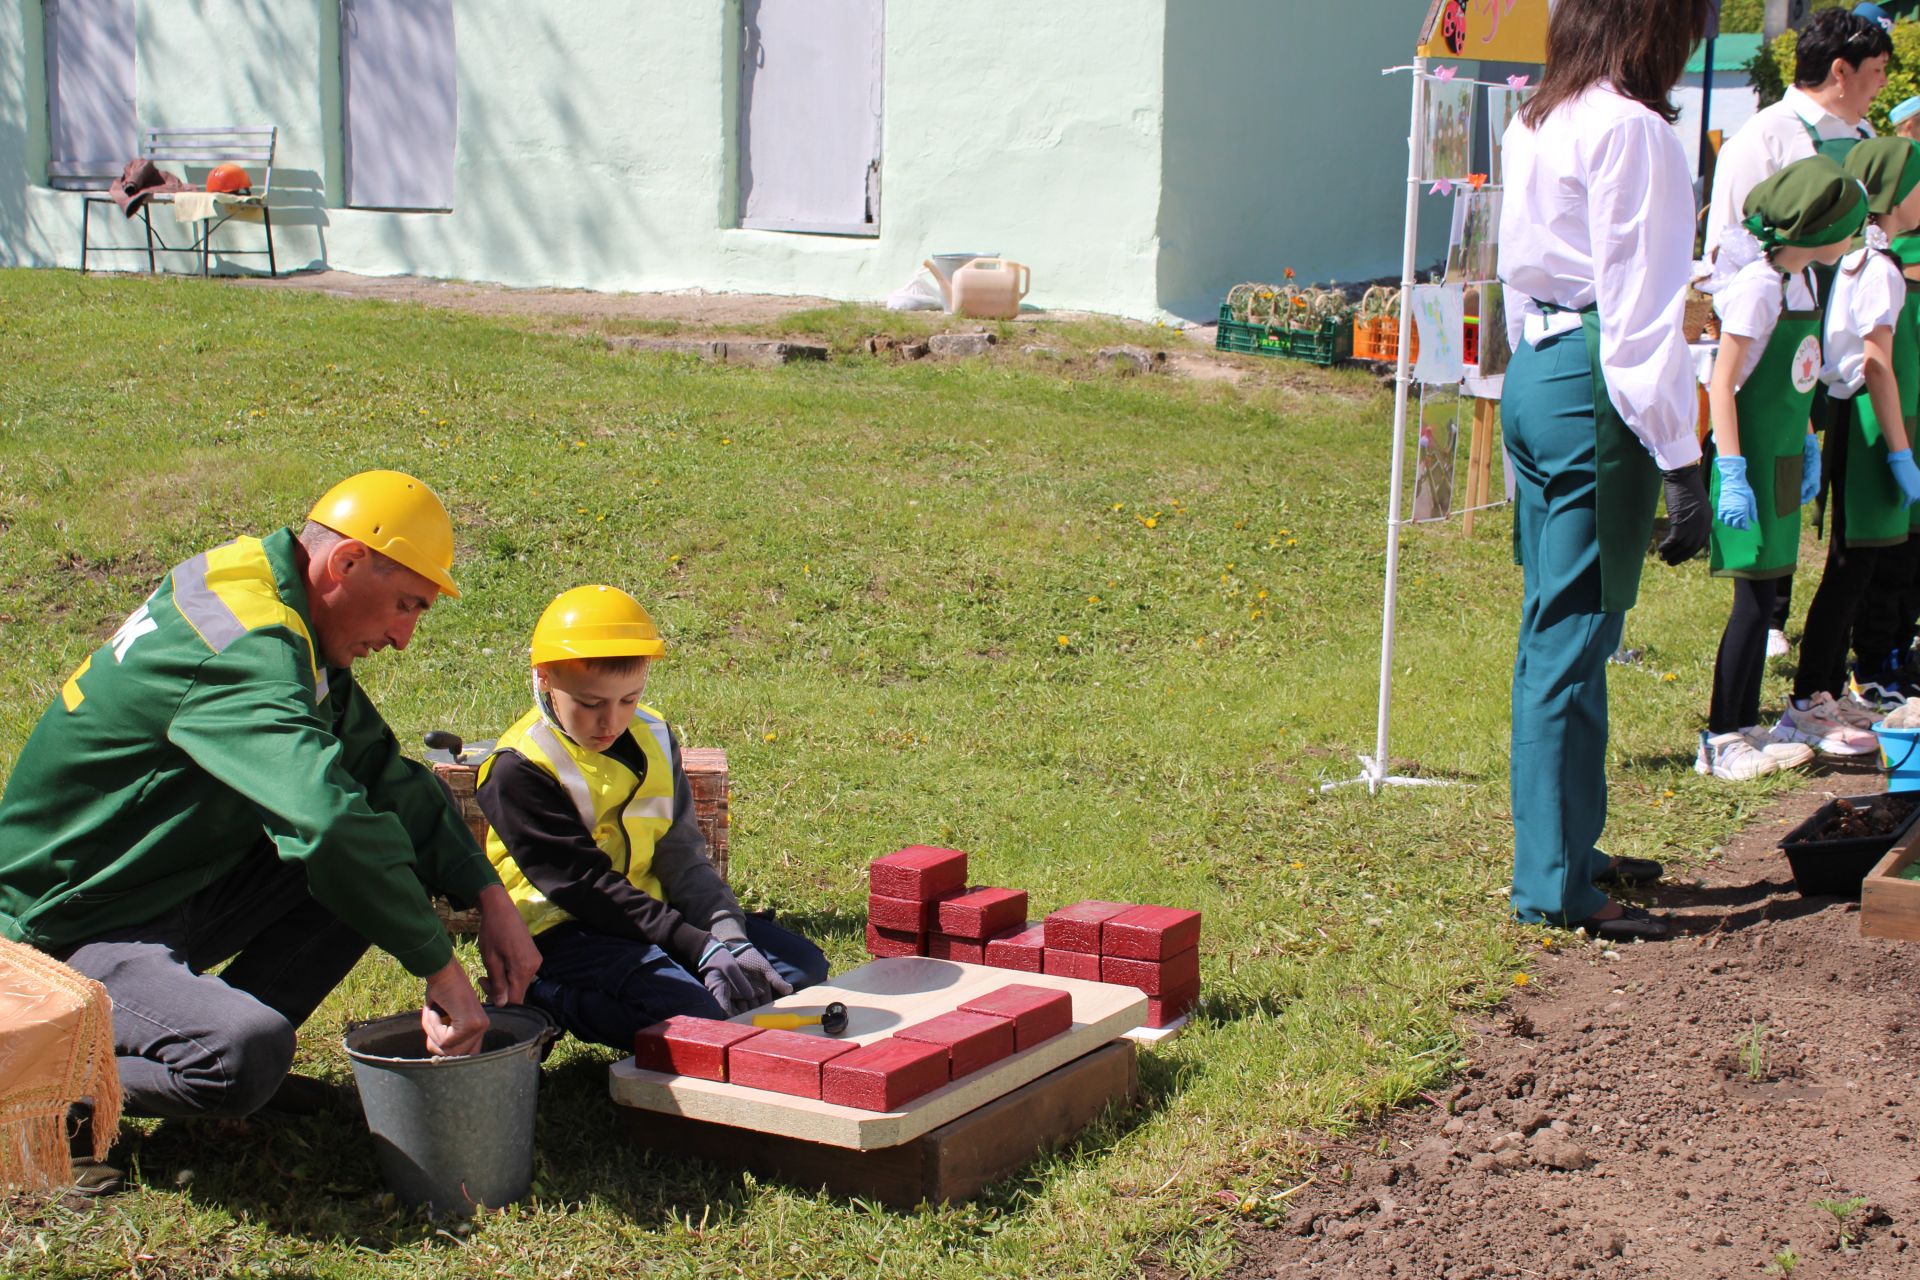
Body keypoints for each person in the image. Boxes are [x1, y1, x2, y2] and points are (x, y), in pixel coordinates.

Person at [0, 471, 541, 1191]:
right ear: (344, 563)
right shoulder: (246, 646)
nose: (406, 638)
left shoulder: (265, 587)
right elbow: (324, 819)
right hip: (67, 924)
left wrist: (487, 894)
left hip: (157, 876)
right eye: (407, 605)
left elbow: (378, 772)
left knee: (373, 856)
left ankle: (217, 1056)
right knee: (239, 1055)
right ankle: (40, 1098)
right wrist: (441, 968)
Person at [1496, 0, 1720, 942]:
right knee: (1572, 635)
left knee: (1569, 632)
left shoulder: (1537, 116)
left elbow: (1525, 272)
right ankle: (1552, 880)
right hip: (1595, 378)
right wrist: (1682, 456)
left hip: (1539, 372)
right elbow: (1640, 310)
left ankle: (1570, 848)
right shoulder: (1635, 130)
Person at [475, 585, 828, 1051]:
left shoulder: (655, 735)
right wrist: (697, 947)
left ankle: (684, 977)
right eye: (590, 703)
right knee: (695, 1017)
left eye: (629, 699)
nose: (611, 723)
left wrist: (727, 936)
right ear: (543, 679)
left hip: (650, 915)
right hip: (563, 931)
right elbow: (588, 889)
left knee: (802, 970)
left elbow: (681, 853)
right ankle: (545, 999)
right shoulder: (516, 769)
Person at [1703, 7, 1892, 659]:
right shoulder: (1768, 136)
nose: (1880, 87)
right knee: (1774, 461)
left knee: (1819, 470)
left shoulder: (1862, 133)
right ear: (1839, 71)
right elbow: (1729, 241)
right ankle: (1769, 611)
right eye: (1875, 73)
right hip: (1772, 330)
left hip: (1837, 332)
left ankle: (1834, 616)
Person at [1697, 158, 1867, 781]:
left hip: (1783, 456)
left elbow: (1794, 378)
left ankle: (1746, 724)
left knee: (1770, 590)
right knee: (1751, 600)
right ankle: (1720, 736)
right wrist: (1733, 470)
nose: (1854, 238)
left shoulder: (1802, 284)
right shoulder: (1759, 287)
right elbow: (1723, 385)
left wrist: (1806, 441)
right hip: (1750, 460)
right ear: (1816, 228)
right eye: (1848, 227)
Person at [1787, 137, 1920, 747]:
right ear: (1894, 193)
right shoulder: (1881, 270)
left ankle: (1827, 689)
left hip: (1855, 417)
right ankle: (1813, 690)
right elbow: (1876, 364)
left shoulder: (1856, 259)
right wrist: (1899, 450)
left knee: (1854, 562)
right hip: (1869, 421)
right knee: (1853, 564)